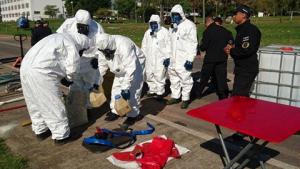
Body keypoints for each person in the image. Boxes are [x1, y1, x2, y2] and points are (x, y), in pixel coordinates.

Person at [20, 32, 89, 144]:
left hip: (25, 68)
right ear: (81, 44)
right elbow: (73, 67)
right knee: (52, 104)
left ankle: (41, 130)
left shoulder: (56, 37)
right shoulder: (71, 44)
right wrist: (69, 79)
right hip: (41, 72)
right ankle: (61, 136)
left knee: (34, 102)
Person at [57, 9, 105, 110]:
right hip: (75, 59)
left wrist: (98, 58)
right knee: (75, 83)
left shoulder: (97, 27)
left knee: (90, 84)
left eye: (85, 27)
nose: (82, 29)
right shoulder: (68, 24)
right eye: (80, 26)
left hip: (90, 61)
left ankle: (88, 107)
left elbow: (103, 43)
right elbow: (58, 38)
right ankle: (77, 105)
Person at [95, 33, 144, 129]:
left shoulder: (124, 45)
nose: (105, 53)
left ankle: (133, 115)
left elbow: (130, 68)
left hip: (135, 66)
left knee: (133, 91)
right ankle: (116, 111)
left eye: (107, 51)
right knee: (116, 89)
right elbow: (102, 65)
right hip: (119, 67)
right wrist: (97, 80)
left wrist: (126, 88)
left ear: (111, 45)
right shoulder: (102, 48)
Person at [224, 5, 261, 97]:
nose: (234, 16)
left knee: (238, 97)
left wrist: (231, 51)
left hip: (246, 69)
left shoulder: (249, 30)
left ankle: (241, 111)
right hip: (242, 68)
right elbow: (243, 47)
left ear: (243, 15)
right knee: (241, 96)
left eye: (235, 14)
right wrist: (232, 48)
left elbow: (246, 50)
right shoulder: (242, 29)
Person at [167, 4, 198, 109]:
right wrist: (167, 57)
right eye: (173, 15)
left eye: (176, 15)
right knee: (173, 78)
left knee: (185, 79)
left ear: (181, 14)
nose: (174, 17)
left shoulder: (189, 25)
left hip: (183, 58)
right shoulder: (171, 27)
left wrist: (190, 59)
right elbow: (169, 43)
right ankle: (175, 96)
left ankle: (185, 98)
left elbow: (193, 43)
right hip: (173, 59)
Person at [198, 17, 234, 100]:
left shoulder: (207, 31)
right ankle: (223, 96)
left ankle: (198, 93)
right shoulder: (226, 31)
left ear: (207, 23)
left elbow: (204, 47)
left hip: (210, 59)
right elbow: (231, 42)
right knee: (221, 78)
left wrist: (201, 46)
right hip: (222, 58)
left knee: (204, 77)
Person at [141, 14, 171, 99]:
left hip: (160, 58)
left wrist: (167, 57)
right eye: (151, 23)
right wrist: (143, 56)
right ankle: (152, 89)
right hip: (149, 58)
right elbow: (144, 45)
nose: (153, 25)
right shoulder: (147, 33)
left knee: (159, 74)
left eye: (155, 23)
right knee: (149, 74)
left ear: (158, 23)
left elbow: (169, 45)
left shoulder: (164, 32)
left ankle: (160, 92)